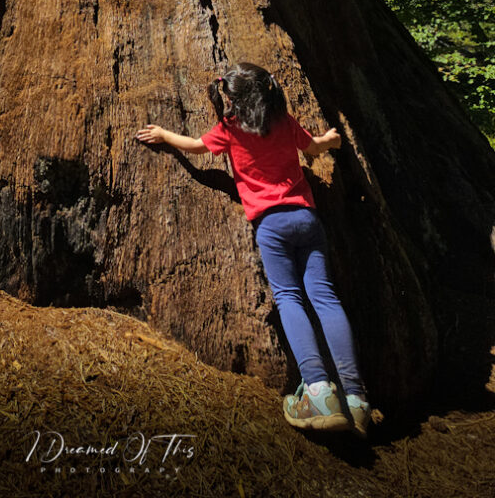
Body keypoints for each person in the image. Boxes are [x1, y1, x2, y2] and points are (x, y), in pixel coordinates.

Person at [135, 62, 371, 437]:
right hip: (307, 218)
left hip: (272, 225)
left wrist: (163, 133)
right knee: (325, 298)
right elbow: (313, 148)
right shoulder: (284, 121)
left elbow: (197, 148)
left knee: (290, 298)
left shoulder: (230, 130)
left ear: (235, 100)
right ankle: (356, 400)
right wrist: (332, 140)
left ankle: (319, 393)